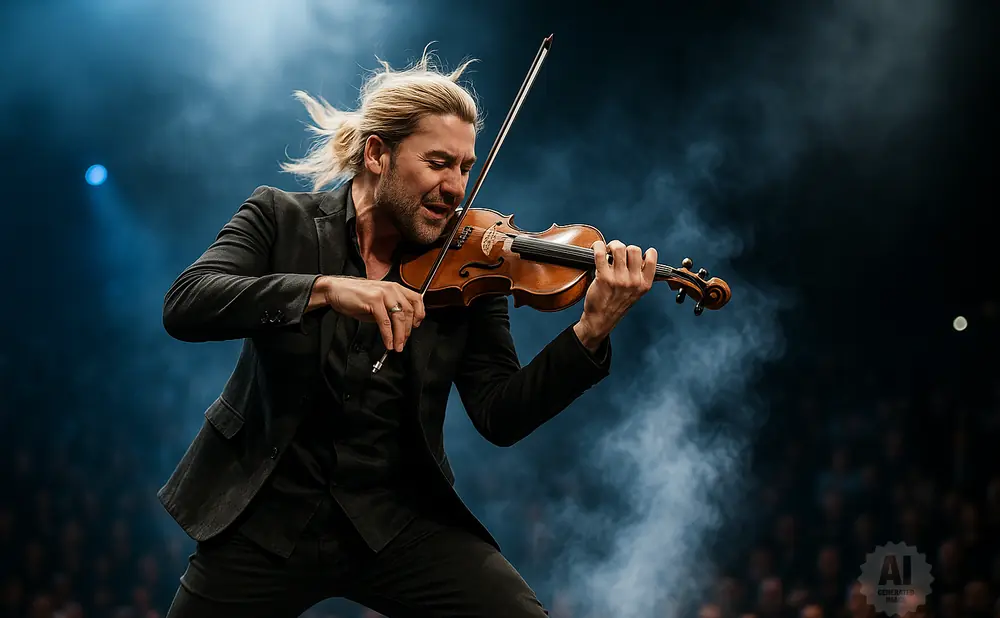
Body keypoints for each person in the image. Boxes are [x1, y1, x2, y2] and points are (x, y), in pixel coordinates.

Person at [158, 47, 658, 618]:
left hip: (398, 519)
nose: (456, 187)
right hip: (267, 516)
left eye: (466, 167)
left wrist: (591, 330)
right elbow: (187, 303)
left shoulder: (473, 263)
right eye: (439, 163)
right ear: (378, 154)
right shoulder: (278, 218)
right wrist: (325, 289)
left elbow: (500, 414)